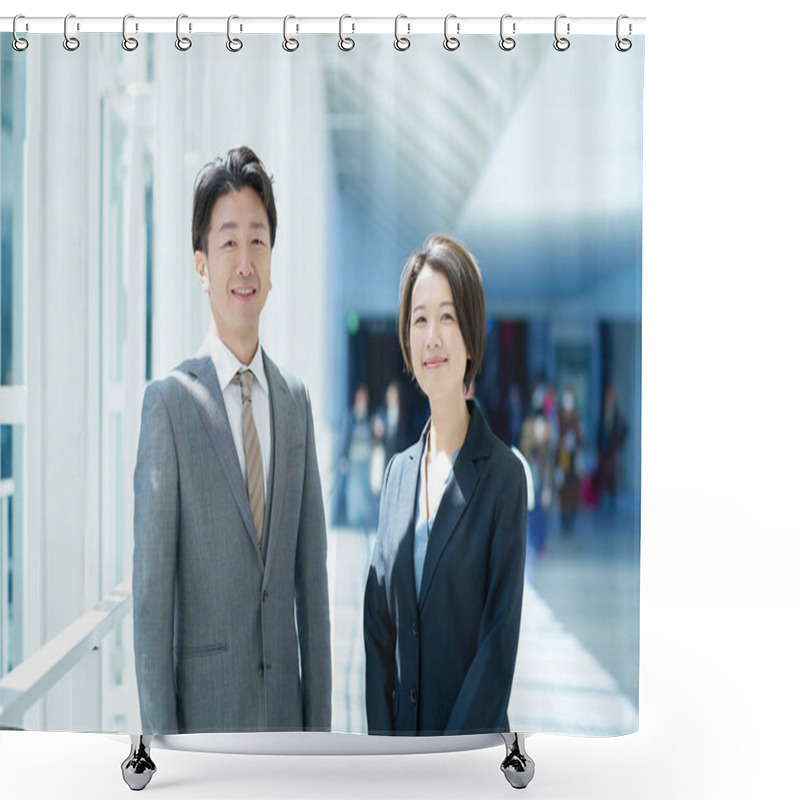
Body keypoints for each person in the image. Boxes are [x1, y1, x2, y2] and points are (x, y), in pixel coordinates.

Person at [133, 146, 331, 734]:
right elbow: (150, 608)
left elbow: (312, 590)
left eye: (258, 241)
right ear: (201, 266)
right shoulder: (168, 405)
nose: (244, 263)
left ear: (272, 265)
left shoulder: (295, 402)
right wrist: (161, 757)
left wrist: (319, 740)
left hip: (287, 733)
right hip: (206, 731)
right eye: (228, 243)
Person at [363, 235, 527, 736]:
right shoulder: (397, 475)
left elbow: (496, 653)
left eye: (448, 317)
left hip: (466, 766)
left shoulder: (503, 477)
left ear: (471, 336)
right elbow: (377, 632)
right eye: (419, 319)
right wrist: (386, 756)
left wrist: (442, 773)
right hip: (397, 765)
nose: (432, 336)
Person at [555, 386, 583, 535]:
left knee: (573, 492)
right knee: (563, 492)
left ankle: (571, 521)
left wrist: (576, 438)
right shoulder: (558, 417)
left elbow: (581, 439)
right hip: (562, 459)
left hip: (573, 460)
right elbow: (555, 439)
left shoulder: (577, 418)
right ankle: (563, 521)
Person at [594, 385, 628, 509]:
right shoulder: (603, 412)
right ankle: (602, 500)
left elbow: (623, 428)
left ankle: (611, 501)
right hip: (603, 450)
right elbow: (599, 430)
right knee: (602, 475)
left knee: (611, 476)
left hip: (612, 450)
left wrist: (617, 442)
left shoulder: (617, 413)